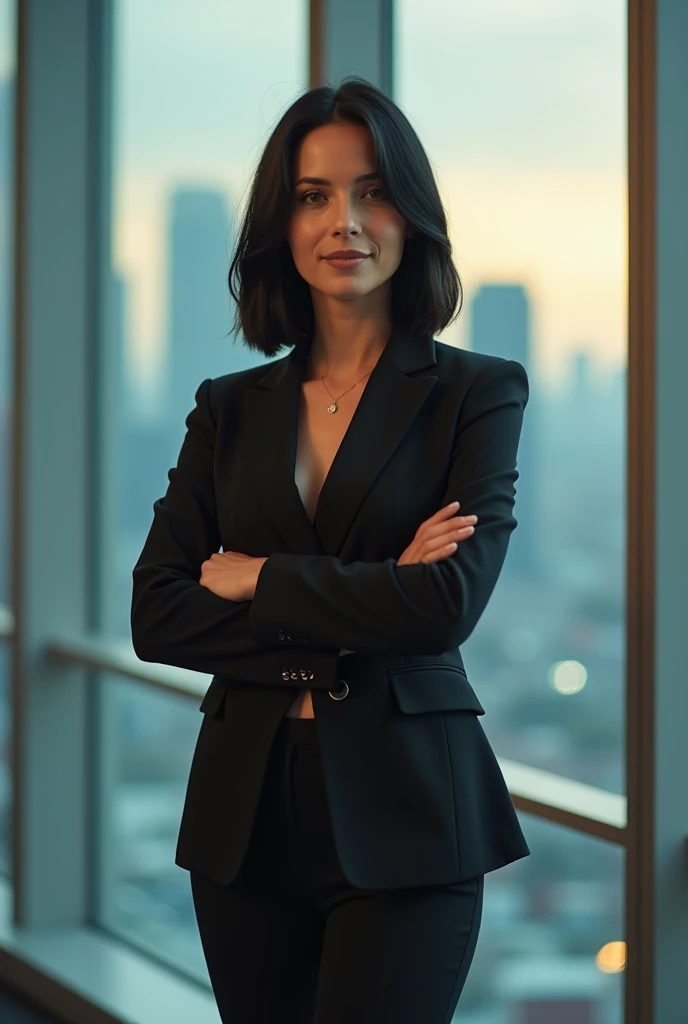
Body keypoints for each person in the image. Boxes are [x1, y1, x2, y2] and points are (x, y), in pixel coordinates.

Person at [131, 75, 531, 1024]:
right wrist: (377, 592)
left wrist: (262, 577)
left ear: (413, 214)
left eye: (371, 191)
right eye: (313, 196)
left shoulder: (477, 393)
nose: (343, 221)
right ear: (283, 222)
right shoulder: (228, 408)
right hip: (245, 816)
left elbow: (445, 608)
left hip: (411, 815)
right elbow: (157, 613)